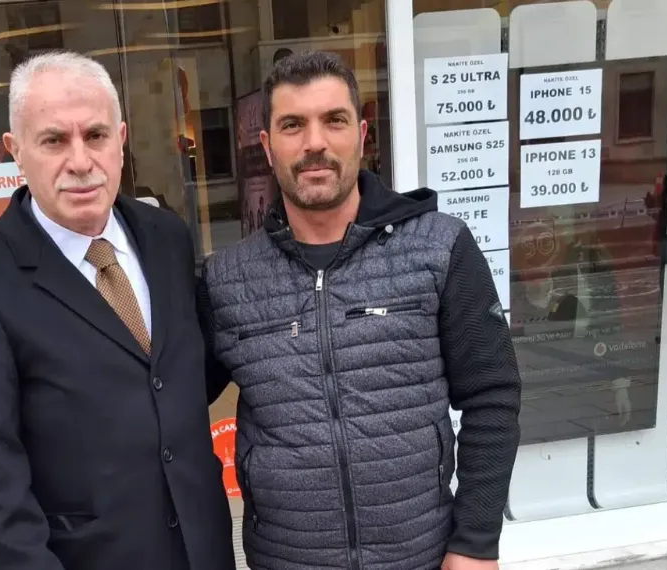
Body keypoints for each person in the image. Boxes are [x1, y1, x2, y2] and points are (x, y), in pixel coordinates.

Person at [199, 51, 522, 570]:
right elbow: (170, 399)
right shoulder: (228, 280)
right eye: (292, 125)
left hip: (421, 557)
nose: (315, 142)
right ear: (267, 145)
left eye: (334, 120)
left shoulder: (439, 248)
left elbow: (493, 395)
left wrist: (476, 542)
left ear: (362, 133)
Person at [0, 51, 235, 570]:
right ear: (16, 152)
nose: (80, 161)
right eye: (53, 140)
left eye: (95, 135)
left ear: (121, 140)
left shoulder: (166, 237)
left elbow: (177, 379)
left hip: (204, 549)